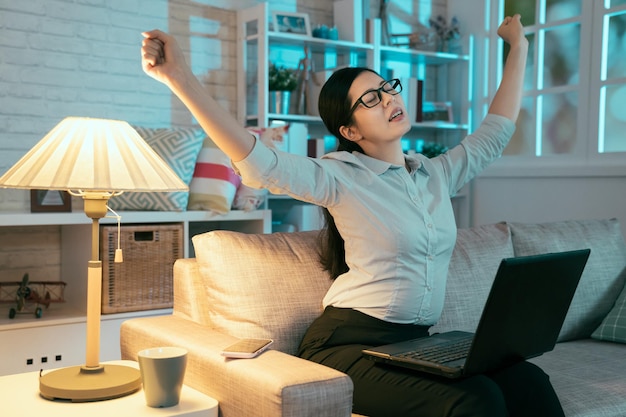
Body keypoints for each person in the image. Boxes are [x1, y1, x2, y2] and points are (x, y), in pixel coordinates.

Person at [141, 14, 563, 416]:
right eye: (371, 99)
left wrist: (519, 46)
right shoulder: (339, 176)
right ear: (350, 132)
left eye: (388, 88)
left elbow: (497, 130)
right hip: (347, 345)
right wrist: (180, 78)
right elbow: (259, 162)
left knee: (530, 380)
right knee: (476, 399)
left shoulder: (434, 173)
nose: (389, 99)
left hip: (414, 342)